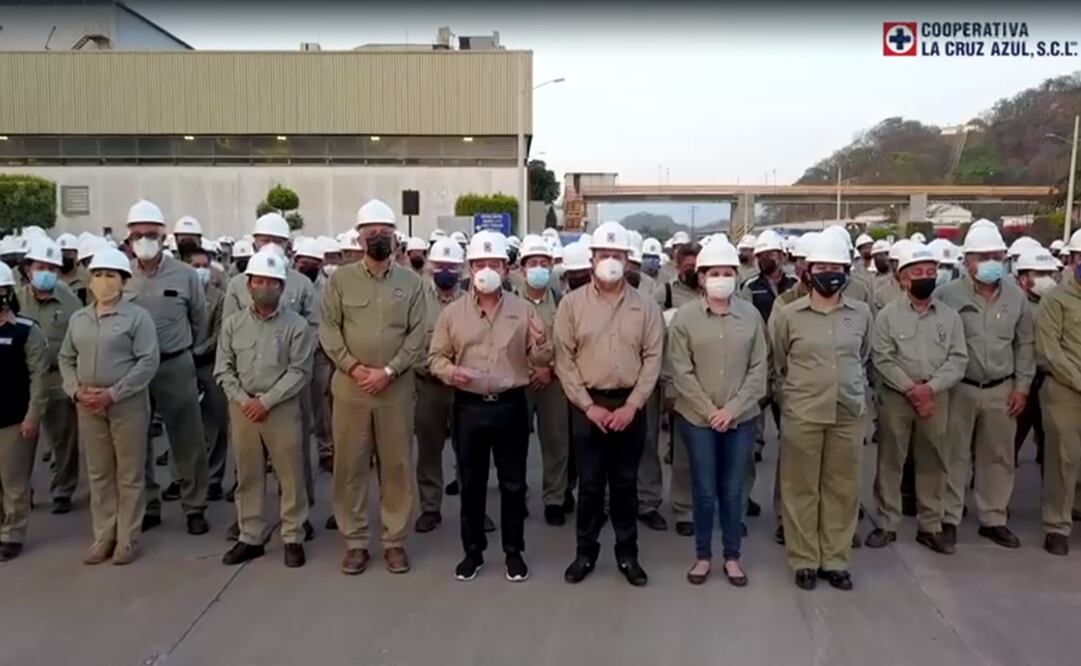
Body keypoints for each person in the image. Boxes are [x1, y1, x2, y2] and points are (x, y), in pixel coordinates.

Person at [429, 232, 550, 581]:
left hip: (511, 405)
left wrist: (542, 341)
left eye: (493, 263)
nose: (487, 270)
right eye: (480, 264)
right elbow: (436, 357)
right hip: (468, 406)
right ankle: (473, 551)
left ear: (507, 269)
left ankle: (514, 551)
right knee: (472, 482)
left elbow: (541, 358)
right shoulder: (452, 314)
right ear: (470, 268)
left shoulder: (523, 310)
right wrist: (453, 373)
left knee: (513, 483)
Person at [320, 199, 427, 575]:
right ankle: (355, 542)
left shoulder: (412, 283)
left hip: (395, 390)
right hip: (350, 390)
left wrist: (389, 370)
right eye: (371, 232)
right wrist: (352, 367)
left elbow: (418, 336)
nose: (378, 237)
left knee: (396, 465)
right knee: (349, 465)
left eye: (385, 232)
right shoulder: (339, 280)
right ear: (360, 236)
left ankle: (395, 541)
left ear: (395, 237)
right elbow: (329, 329)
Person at [554, 221, 663, 587]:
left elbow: (652, 359)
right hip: (589, 406)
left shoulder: (645, 306)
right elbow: (564, 360)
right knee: (589, 485)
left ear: (628, 259)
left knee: (624, 484)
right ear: (592, 258)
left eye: (617, 255)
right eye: (604, 255)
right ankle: (585, 554)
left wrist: (633, 405)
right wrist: (588, 406)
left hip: (629, 405)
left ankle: (627, 554)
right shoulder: (571, 305)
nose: (610, 261)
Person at [770, 232, 872, 591]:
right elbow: (778, 362)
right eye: (822, 267)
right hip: (803, 410)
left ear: (847, 271)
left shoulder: (860, 313)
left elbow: (863, 357)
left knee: (842, 487)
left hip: (847, 410)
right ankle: (805, 559)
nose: (830, 273)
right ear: (808, 272)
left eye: (837, 267)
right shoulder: (789, 314)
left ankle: (835, 559)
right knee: (801, 488)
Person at [669, 239, 767, 586]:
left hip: (740, 419)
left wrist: (733, 410)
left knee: (732, 488)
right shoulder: (685, 318)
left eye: (727, 273)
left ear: (736, 276)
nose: (721, 278)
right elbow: (681, 371)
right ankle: (702, 556)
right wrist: (711, 411)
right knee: (704, 489)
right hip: (698, 419)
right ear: (701, 277)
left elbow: (759, 369)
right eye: (714, 273)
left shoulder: (751, 315)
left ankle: (732, 556)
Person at [59, 247, 160, 565]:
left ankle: (127, 538)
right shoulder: (79, 318)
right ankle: (104, 534)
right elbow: (66, 358)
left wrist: (114, 393)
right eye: (99, 275)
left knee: (129, 473)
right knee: (99, 473)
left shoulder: (137, 317)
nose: (104, 281)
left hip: (125, 404)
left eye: (111, 275)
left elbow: (147, 361)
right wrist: (75, 391)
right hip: (87, 406)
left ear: (123, 280)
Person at [937, 224, 1034, 549]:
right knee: (954, 455)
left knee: (998, 457)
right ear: (967, 260)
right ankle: (948, 518)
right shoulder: (947, 295)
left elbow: (1025, 344)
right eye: (984, 257)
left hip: (1001, 389)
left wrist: (1022, 387)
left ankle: (994, 518)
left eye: (997, 256)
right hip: (959, 388)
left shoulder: (1015, 295)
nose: (992, 261)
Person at [866, 243, 967, 555]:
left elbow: (957, 359)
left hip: (936, 398)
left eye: (931, 272)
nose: (926, 277)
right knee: (890, 462)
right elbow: (882, 358)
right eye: (918, 273)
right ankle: (887, 523)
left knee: (933, 461)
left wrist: (930, 389)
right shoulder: (887, 316)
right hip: (898, 399)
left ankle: (930, 526)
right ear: (902, 279)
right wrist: (911, 389)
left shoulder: (949, 317)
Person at [216, 249, 314, 568]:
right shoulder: (232, 325)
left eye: (272, 283)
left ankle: (292, 536)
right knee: (248, 474)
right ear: (249, 285)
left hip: (281, 408)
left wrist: (266, 401)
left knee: (290, 475)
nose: (265, 287)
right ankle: (251, 536)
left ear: (282, 288)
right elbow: (223, 369)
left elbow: (299, 370)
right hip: (243, 408)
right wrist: (246, 401)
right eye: (259, 281)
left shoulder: (296, 325)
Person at [124, 199, 211, 535]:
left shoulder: (186, 275)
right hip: (130, 370)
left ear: (163, 236)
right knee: (137, 440)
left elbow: (198, 319)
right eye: (138, 234)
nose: (145, 240)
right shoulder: (118, 274)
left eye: (151, 234)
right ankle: (148, 505)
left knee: (187, 438)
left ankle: (194, 505)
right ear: (128, 238)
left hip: (174, 363)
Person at [16, 237, 82, 515]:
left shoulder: (69, 300)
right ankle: (20, 491)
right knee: (20, 440)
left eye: (53, 269)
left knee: (63, 437)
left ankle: (63, 489)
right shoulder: (15, 298)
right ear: (28, 268)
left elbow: (80, 338)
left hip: (57, 376)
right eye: (41, 267)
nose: (47, 274)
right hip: (21, 378)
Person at [516, 236, 572, 525]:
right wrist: (527, 369)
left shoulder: (563, 302)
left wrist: (549, 368)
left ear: (552, 266)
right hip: (518, 381)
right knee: (514, 443)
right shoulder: (508, 301)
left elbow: (568, 344)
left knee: (556, 442)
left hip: (553, 380)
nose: (539, 268)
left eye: (544, 263)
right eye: (533, 263)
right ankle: (517, 495)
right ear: (522, 268)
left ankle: (555, 498)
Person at [644, 241, 699, 536]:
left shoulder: (710, 293)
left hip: (693, 381)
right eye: (687, 265)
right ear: (677, 266)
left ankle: (685, 506)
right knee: (649, 443)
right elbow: (651, 334)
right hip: (661, 377)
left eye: (696, 264)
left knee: (683, 450)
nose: (692, 270)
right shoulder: (663, 293)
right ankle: (648, 501)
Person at [413, 238, 467, 533]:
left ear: (462, 269)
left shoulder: (471, 301)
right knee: (429, 448)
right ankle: (430, 507)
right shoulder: (417, 301)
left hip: (463, 386)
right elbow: (410, 342)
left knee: (470, 449)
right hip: (429, 384)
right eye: (440, 265)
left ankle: (474, 507)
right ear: (430, 267)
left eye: (451, 266)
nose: (445, 271)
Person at [1035, 230, 1081, 555]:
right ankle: (1057, 525)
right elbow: (1050, 352)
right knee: (1063, 458)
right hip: (1065, 389)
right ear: (1071, 261)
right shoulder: (1056, 301)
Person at [0, 262, 47, 561]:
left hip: (15, 419)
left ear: (6, 292)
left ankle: (12, 535)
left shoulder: (25, 331)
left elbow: (39, 377)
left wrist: (33, 416)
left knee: (14, 482)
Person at [182, 244, 228, 502]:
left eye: (204, 266)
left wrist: (196, 352)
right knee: (184, 428)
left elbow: (219, 334)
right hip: (179, 365)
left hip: (209, 364)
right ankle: (185, 478)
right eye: (195, 266)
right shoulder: (178, 294)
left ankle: (213, 479)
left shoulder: (219, 297)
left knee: (215, 424)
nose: (200, 271)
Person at [1012, 248, 1059, 468]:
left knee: (1051, 449)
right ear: (1023, 279)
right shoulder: (1013, 306)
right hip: (1020, 383)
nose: (1047, 279)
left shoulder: (1056, 304)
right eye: (1039, 274)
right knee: (1008, 445)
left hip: (1049, 381)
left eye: (1050, 273)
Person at [56, 233, 90, 304]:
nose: (64, 257)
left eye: (67, 254)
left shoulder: (87, 278)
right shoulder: (52, 277)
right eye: (61, 253)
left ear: (77, 255)